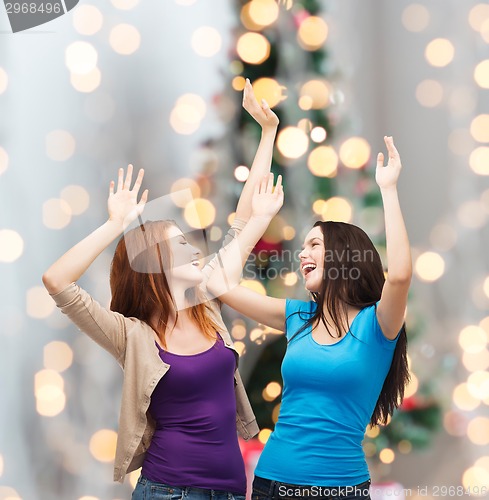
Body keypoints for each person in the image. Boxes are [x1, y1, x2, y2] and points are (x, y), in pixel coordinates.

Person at [42, 79, 279, 498]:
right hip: (168, 492)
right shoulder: (130, 335)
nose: (193, 248)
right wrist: (116, 225)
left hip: (228, 491)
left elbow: (244, 219)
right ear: (152, 267)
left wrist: (267, 134)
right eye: (178, 243)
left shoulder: (207, 305)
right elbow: (58, 281)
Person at [206, 136, 411, 500]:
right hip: (271, 482)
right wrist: (260, 219)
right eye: (303, 247)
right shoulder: (297, 316)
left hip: (339, 490)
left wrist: (389, 189)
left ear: (344, 256)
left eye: (314, 244)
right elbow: (219, 283)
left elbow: (398, 276)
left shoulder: (377, 325)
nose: (302, 254)